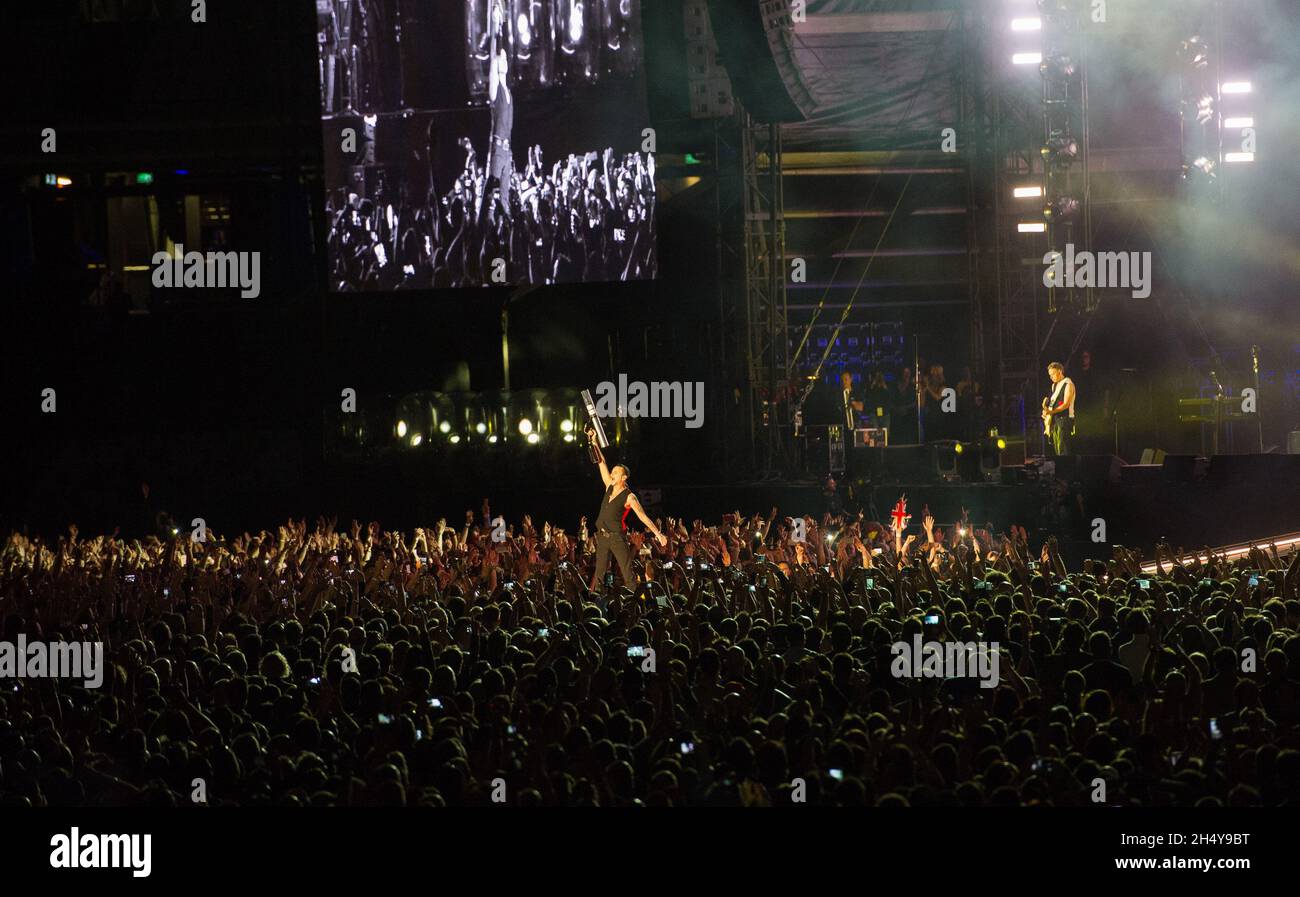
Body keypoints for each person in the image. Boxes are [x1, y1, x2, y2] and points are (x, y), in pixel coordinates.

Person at [586, 427, 667, 591]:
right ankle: (600, 602)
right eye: (613, 471)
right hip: (602, 537)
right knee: (600, 573)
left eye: (616, 472)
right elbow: (601, 462)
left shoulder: (629, 497)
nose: (613, 474)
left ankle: (633, 602)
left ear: (624, 477)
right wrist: (593, 440)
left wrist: (658, 534)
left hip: (617, 538)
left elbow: (643, 517)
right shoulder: (609, 486)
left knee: (627, 572)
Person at [478, 0, 514, 224]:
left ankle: (508, 233)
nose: (504, 59)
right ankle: (487, 231)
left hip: (507, 151)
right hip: (497, 149)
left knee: (506, 198)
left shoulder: (509, 90)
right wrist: (495, 26)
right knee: (492, 197)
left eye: (506, 58)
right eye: (501, 58)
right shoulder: (496, 89)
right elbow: (494, 56)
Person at [1043, 361, 1077, 456]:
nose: (1051, 377)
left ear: (1060, 371)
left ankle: (1066, 468)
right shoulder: (1054, 386)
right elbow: (1050, 402)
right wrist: (1046, 412)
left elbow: (1066, 404)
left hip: (1064, 419)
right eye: (1050, 375)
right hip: (1055, 420)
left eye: (1053, 374)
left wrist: (1051, 411)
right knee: (1057, 448)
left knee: (1063, 448)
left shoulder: (1068, 384)